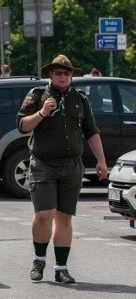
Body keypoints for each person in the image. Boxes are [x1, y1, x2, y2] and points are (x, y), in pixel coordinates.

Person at [17, 54, 108, 285]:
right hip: (43, 165)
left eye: (67, 73)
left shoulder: (80, 99)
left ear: (71, 76)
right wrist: (42, 113)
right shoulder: (38, 96)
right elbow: (22, 125)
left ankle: (61, 268)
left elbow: (91, 131)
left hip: (72, 167)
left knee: (65, 217)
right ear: (51, 74)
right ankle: (39, 261)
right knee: (44, 214)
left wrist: (101, 161)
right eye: (58, 72)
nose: (63, 76)